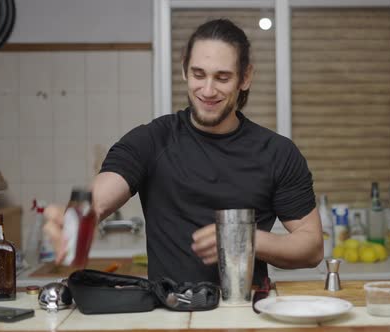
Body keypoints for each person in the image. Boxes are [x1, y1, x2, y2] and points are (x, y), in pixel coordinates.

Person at [44, 18, 323, 285]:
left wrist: (244, 238)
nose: (208, 90)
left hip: (245, 311)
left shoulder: (278, 152)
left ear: (245, 77)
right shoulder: (152, 140)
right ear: (184, 70)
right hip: (170, 314)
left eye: (222, 77)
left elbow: (311, 247)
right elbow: (99, 202)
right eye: (198, 74)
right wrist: (72, 220)